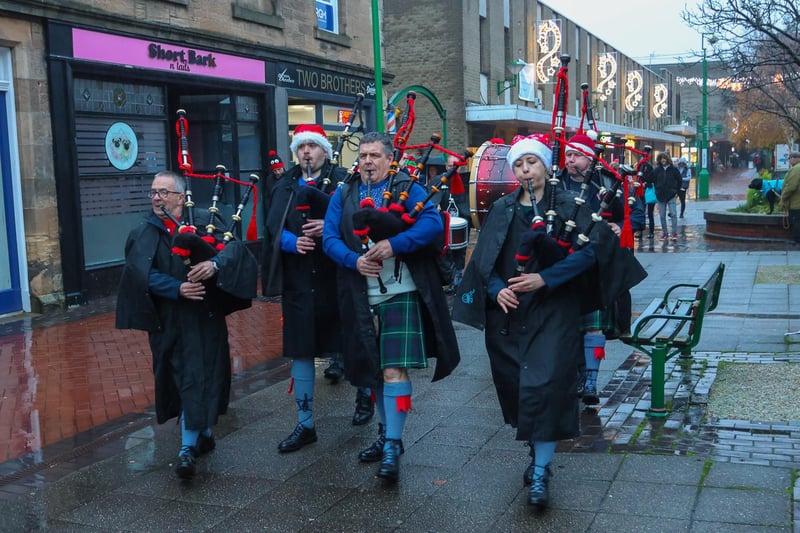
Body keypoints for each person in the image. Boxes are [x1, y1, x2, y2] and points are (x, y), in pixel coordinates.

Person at [453, 134, 646, 510]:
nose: (526, 170)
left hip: (555, 311)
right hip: (510, 315)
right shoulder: (503, 208)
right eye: (520, 165)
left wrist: (545, 278)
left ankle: (541, 472)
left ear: (545, 167)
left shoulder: (572, 206)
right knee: (519, 388)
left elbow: (590, 255)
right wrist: (496, 292)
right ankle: (536, 449)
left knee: (545, 387)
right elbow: (484, 261)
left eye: (533, 163)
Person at [322, 132, 461, 483]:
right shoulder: (345, 192)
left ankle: (392, 445)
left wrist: (394, 244)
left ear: (389, 158)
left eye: (374, 155)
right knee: (373, 371)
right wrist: (353, 260)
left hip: (401, 290)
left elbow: (431, 225)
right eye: (363, 155)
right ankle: (387, 435)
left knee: (393, 371)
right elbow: (329, 238)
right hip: (359, 291)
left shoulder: (408, 186)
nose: (367, 161)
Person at [115, 170, 256, 480]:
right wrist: (176, 288)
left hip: (204, 317)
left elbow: (234, 249)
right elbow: (139, 274)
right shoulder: (144, 232)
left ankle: (187, 448)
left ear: (181, 197)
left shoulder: (205, 219)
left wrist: (214, 263)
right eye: (153, 191)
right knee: (182, 377)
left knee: (199, 374)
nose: (156, 197)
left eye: (164, 192)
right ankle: (202, 431)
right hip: (168, 320)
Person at [262, 123, 370, 453]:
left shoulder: (343, 181)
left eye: (313, 146)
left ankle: (365, 398)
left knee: (352, 341)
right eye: (301, 146)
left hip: (337, 276)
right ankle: (305, 423)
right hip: (299, 280)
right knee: (301, 349)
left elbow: (361, 220)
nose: (306, 151)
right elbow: (271, 225)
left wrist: (331, 226)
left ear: (325, 150)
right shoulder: (284, 184)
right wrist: (291, 241)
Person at [646, 152, 681, 242]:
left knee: (673, 214)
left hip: (671, 195)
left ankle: (674, 233)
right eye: (661, 158)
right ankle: (665, 233)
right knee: (662, 215)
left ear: (667, 159)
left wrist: (676, 191)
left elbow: (679, 180)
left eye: (664, 158)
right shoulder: (657, 170)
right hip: (660, 195)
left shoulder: (673, 169)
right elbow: (650, 179)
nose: (662, 160)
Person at [780, 151, 800, 243]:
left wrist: (783, 197)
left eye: (790, 159)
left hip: (796, 202)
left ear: (794, 158)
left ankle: (797, 240)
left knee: (796, 221)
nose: (789, 161)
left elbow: (791, 186)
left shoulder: (796, 169)